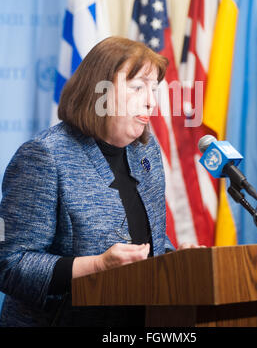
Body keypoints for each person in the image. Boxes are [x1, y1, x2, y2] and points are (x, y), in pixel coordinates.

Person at [0, 36, 198, 327]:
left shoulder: (147, 153)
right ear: (99, 92)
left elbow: (145, 244)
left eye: (153, 89)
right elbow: (9, 264)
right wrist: (97, 265)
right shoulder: (44, 156)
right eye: (138, 87)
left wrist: (176, 260)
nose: (150, 101)